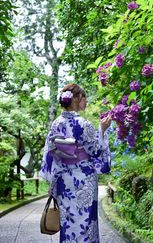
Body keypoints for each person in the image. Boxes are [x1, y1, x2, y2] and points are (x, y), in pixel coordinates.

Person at [40, 83, 111, 243]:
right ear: (77, 98)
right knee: (86, 224)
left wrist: (52, 184)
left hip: (64, 182)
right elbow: (96, 150)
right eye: (85, 98)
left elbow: (51, 154)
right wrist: (103, 130)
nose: (86, 102)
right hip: (84, 181)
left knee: (68, 223)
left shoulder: (56, 123)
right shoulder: (83, 124)